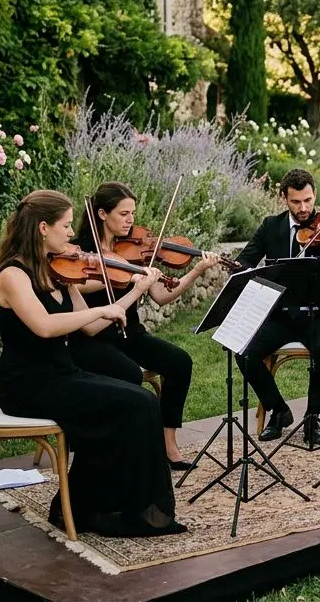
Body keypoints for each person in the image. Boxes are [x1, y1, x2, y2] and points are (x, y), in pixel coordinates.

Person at [0, 190, 184, 537]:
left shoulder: (58, 272)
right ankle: (112, 510)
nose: (71, 235)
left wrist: (132, 292)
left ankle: (104, 506)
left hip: (62, 375)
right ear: (42, 228)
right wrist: (102, 308)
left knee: (142, 400)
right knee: (133, 404)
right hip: (28, 385)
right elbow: (45, 327)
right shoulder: (13, 276)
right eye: (65, 226)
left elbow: (92, 325)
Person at [72, 182, 219, 470]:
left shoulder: (133, 251)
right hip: (96, 337)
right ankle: (131, 449)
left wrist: (196, 271)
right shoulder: (81, 254)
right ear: (102, 214)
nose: (131, 220)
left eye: (133, 214)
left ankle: (168, 444)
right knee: (128, 376)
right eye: (124, 214)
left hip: (130, 334)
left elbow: (163, 296)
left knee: (179, 362)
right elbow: (79, 284)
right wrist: (124, 277)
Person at [235, 169, 320, 444]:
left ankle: (313, 418)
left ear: (315, 196)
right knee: (244, 351)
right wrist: (237, 268)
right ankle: (279, 410)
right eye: (296, 202)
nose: (304, 208)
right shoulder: (270, 226)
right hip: (281, 315)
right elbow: (246, 260)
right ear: (284, 199)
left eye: (308, 200)